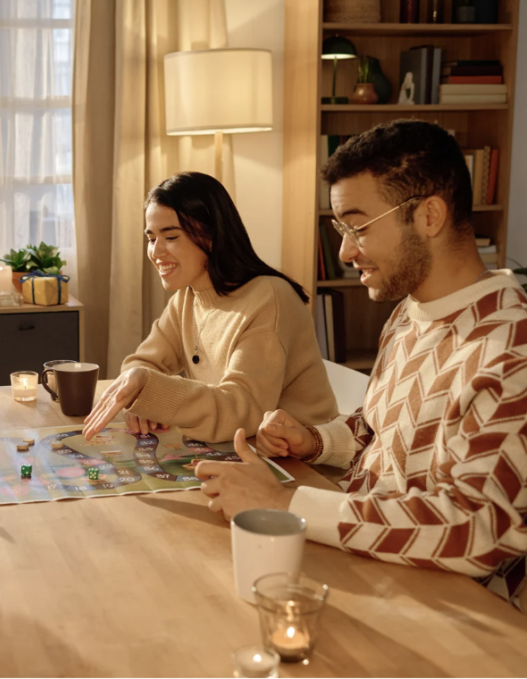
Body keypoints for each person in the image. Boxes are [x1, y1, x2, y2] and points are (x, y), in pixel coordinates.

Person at [198, 120, 527, 612]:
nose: (345, 251)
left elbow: (477, 529)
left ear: (430, 215)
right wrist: (315, 440)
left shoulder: (510, 347)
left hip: (458, 612)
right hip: (371, 567)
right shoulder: (407, 315)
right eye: (341, 229)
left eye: (359, 226)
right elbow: (384, 433)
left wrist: (288, 504)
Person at [84, 172, 338, 442]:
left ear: (212, 235)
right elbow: (143, 363)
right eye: (151, 238)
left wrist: (149, 389)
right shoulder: (188, 298)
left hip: (301, 461)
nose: (156, 252)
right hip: (240, 450)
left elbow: (243, 411)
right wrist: (141, 396)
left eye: (170, 237)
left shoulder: (269, 298)